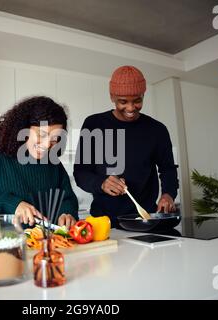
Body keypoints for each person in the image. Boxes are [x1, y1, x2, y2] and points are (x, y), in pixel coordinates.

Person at [73, 65, 179, 226]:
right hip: (103, 222)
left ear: (143, 95)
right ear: (112, 97)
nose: (130, 108)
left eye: (137, 101)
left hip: (145, 219)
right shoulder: (94, 124)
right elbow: (81, 173)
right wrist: (101, 183)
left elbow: (168, 169)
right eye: (123, 102)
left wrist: (168, 194)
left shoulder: (157, 130)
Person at [0, 96, 78, 228]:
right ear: (23, 128)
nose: (47, 145)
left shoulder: (54, 164)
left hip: (47, 245)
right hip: (6, 244)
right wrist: (13, 205)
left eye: (55, 139)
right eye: (41, 135)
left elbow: (67, 198)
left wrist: (67, 213)